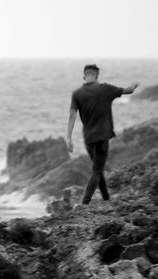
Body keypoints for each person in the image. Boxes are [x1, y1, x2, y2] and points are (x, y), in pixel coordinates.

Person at [67, 64, 139, 204]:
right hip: (102, 137)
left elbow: (72, 116)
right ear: (97, 76)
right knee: (97, 170)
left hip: (88, 138)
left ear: (84, 76)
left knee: (97, 169)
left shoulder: (77, 93)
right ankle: (85, 203)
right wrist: (135, 84)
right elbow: (129, 90)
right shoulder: (105, 88)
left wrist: (69, 138)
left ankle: (106, 198)